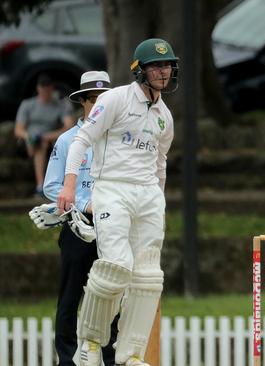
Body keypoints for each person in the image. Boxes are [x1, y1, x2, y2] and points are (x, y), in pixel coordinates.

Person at [57, 38, 178, 366]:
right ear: (140, 71)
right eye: (155, 66)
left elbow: (160, 163)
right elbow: (82, 139)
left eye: (166, 65)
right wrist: (69, 188)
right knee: (116, 267)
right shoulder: (114, 100)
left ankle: (131, 353)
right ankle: (91, 343)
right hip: (113, 188)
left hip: (149, 194)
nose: (163, 71)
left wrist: (160, 199)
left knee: (148, 277)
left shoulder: (164, 116)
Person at [40, 71, 118, 366]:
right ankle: (67, 359)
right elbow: (51, 185)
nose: (100, 106)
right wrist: (85, 205)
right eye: (95, 100)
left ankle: (111, 358)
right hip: (77, 224)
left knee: (113, 293)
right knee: (71, 294)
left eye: (106, 100)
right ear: (84, 102)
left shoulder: (118, 139)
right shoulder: (67, 140)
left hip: (113, 225)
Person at [14, 73, 74, 197]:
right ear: (38, 88)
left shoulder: (59, 104)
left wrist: (48, 136)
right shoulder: (28, 104)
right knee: (37, 141)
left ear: (52, 89)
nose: (45, 92)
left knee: (42, 143)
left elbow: (69, 127)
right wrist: (29, 137)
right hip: (27, 140)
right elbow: (18, 130)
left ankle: (43, 186)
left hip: (49, 140)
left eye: (48, 89)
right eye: (43, 88)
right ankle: (41, 186)